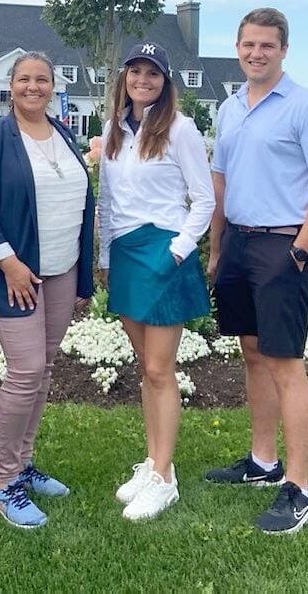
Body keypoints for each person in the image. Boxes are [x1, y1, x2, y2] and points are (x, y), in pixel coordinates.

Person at [203, 8, 308, 535]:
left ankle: (302, 490)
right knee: (253, 354)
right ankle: (264, 462)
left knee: (286, 364)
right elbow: (221, 185)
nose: (256, 53)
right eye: (248, 45)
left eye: (266, 45)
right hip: (239, 243)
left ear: (283, 50)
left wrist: (301, 253)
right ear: (237, 48)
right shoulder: (229, 108)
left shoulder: (306, 107)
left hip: (285, 246)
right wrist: (217, 251)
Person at [0, 51, 95, 529]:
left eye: (42, 79)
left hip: (61, 269)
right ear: (10, 85)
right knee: (26, 370)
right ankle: (2, 484)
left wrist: (83, 271)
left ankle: (24, 463)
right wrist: (8, 261)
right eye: (24, 79)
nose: (33, 87)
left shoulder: (63, 133)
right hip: (14, 273)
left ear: (54, 86)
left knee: (45, 368)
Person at [98, 42, 214, 521]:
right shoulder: (112, 129)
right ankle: (152, 462)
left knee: (161, 370)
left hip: (164, 254)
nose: (143, 79)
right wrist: (106, 255)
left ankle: (165, 478)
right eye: (135, 71)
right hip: (125, 255)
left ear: (165, 81)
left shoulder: (180, 129)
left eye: (153, 73)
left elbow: (204, 200)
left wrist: (177, 252)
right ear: (124, 77)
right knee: (146, 368)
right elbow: (106, 198)